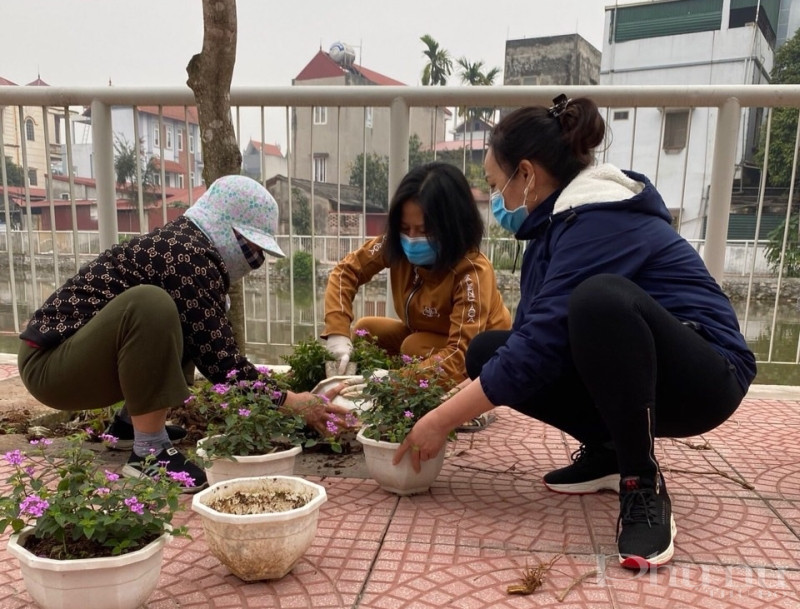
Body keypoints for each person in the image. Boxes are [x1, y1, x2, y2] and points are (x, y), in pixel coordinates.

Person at [393, 96, 757, 570]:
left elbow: (541, 349)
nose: (497, 200)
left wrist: (439, 421)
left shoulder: (597, 219)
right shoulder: (556, 229)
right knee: (488, 352)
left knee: (599, 301)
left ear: (526, 175)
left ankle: (641, 483)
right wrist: (447, 402)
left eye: (495, 184)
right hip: (648, 371)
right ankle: (609, 450)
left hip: (708, 375)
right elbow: (526, 348)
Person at [18, 175, 349, 493]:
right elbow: (223, 365)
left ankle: (129, 425)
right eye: (249, 245)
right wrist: (291, 401)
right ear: (223, 227)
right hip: (49, 369)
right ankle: (149, 453)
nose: (255, 259)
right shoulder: (187, 257)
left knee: (190, 320)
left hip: (69, 363)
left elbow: (210, 345)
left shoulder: (185, 250)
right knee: (151, 305)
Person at [322, 162, 512, 430]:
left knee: (413, 346)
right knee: (366, 330)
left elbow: (460, 353)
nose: (412, 238)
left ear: (453, 226)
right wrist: (337, 333)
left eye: (425, 230)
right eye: (405, 228)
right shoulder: (395, 245)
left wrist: (393, 382)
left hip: (478, 358)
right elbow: (345, 272)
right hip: (423, 335)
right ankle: (402, 393)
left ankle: (466, 406)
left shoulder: (471, 271)